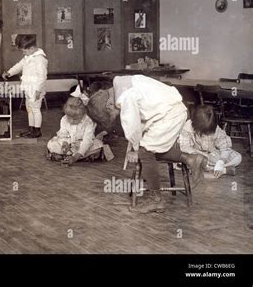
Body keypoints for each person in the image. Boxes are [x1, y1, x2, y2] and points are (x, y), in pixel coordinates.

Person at [87, 75, 207, 213]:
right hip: (172, 111)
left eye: (113, 114)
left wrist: (136, 148)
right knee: (151, 150)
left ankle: (156, 200)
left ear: (108, 105)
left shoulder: (126, 97)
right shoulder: (124, 83)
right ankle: (190, 158)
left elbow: (132, 126)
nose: (117, 114)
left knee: (145, 152)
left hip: (168, 117)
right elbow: (142, 114)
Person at [2, 34, 48, 138]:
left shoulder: (40, 59)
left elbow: (42, 77)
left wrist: (38, 90)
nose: (23, 53)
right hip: (28, 88)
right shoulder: (28, 56)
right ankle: (31, 129)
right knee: (29, 109)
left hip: (36, 89)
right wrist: (9, 72)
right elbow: (19, 66)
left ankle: (37, 131)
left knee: (35, 109)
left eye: (24, 51)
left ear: (32, 48)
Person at [178, 105, 242, 178]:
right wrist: (201, 154)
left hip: (211, 155)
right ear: (195, 125)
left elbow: (225, 146)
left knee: (238, 157)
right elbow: (184, 147)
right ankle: (221, 170)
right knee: (186, 161)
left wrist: (221, 161)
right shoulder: (187, 127)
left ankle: (215, 169)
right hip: (196, 155)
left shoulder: (214, 128)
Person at [47, 96, 104, 165]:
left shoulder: (88, 122)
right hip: (70, 145)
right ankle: (82, 157)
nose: (71, 121)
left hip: (82, 144)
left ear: (83, 114)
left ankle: (75, 157)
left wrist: (75, 157)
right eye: (69, 117)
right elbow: (63, 134)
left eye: (75, 119)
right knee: (52, 143)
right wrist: (65, 143)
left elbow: (87, 140)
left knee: (97, 146)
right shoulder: (64, 119)